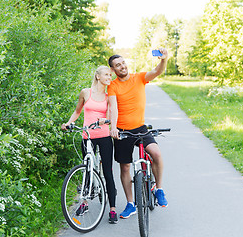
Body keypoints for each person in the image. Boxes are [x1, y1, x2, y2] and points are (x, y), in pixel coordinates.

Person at [107, 48, 169, 219]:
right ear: (113, 70)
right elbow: (113, 107)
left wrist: (164, 59)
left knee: (156, 153)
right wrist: (113, 127)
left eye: (123, 63)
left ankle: (159, 189)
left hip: (140, 128)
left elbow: (157, 71)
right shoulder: (112, 86)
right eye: (117, 65)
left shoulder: (139, 77)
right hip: (122, 131)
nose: (122, 67)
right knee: (125, 166)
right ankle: (130, 203)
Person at [61, 66, 118, 224]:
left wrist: (105, 120)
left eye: (110, 75)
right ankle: (84, 203)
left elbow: (111, 116)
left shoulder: (108, 96)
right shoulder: (86, 92)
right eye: (106, 74)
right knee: (87, 168)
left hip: (104, 137)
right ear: (98, 76)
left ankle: (112, 209)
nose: (109, 77)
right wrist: (68, 123)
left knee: (107, 172)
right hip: (87, 136)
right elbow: (77, 111)